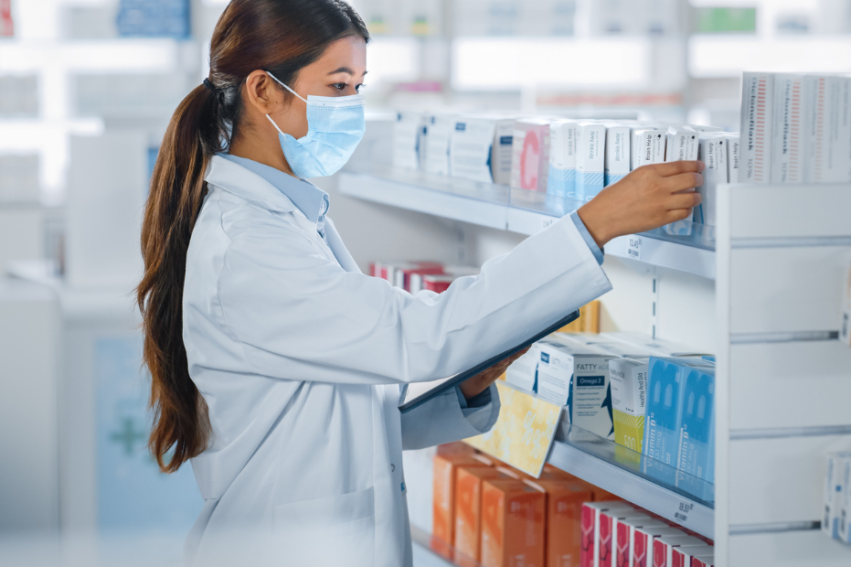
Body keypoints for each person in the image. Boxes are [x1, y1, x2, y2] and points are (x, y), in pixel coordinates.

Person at [136, 0, 704, 565]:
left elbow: (336, 409)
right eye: (337, 86)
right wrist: (595, 223)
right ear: (263, 91)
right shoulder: (248, 243)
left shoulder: (288, 218)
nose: (352, 107)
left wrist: (464, 390)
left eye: (359, 87)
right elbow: (417, 335)